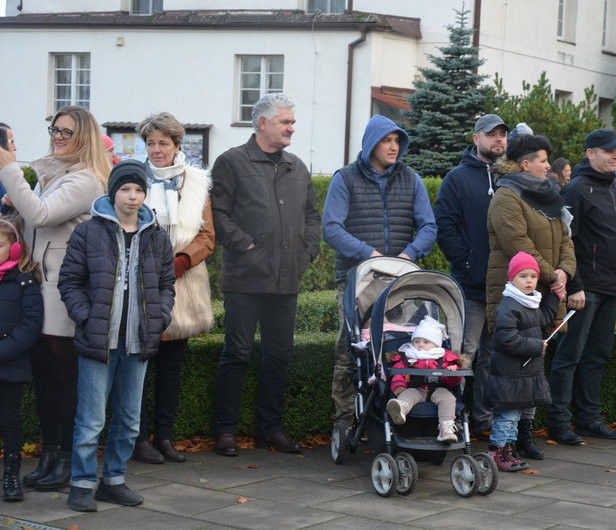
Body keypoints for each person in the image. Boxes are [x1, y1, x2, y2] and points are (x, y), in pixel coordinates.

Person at [0, 106, 110, 491]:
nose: (58, 137)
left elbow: (43, 216)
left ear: (85, 137)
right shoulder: (56, 175)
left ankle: (65, 459)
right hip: (41, 288)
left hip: (62, 292)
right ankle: (50, 455)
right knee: (47, 379)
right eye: (55, 130)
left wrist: (10, 171)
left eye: (67, 131)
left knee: (63, 380)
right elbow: (31, 222)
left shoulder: (87, 179)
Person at [58, 160, 175, 512]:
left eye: (139, 190)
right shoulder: (88, 232)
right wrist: (86, 317)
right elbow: (70, 282)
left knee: (129, 421)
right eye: (125, 189)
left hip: (138, 343)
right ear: (113, 192)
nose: (132, 196)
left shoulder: (157, 236)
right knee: (91, 420)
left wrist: (160, 318)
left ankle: (113, 481)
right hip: (99, 342)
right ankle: (81, 484)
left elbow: (167, 285)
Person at [211, 93, 320, 456]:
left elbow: (311, 216)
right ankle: (225, 430)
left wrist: (306, 252)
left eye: (292, 122)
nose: (292, 128)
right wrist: (246, 245)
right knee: (237, 353)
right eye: (285, 122)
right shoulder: (231, 162)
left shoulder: (297, 167)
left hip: (286, 279)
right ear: (262, 123)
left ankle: (269, 429)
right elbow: (218, 213)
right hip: (245, 278)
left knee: (279, 356)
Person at [324, 114, 436, 429]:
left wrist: (408, 255)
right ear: (371, 143)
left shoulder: (411, 179)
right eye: (387, 140)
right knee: (350, 352)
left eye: (397, 140)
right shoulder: (345, 179)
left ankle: (397, 418)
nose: (394, 146)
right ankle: (344, 421)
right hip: (357, 279)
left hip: (402, 281)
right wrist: (368, 255)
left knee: (404, 347)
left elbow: (428, 226)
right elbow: (331, 228)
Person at [132, 112, 215, 465]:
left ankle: (164, 437)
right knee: (138, 368)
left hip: (182, 284)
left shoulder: (196, 182)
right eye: (150, 143)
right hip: (140, 282)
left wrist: (181, 260)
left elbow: (207, 235)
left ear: (177, 145)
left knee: (170, 369)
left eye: (163, 143)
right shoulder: (133, 176)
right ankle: (137, 439)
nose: (156, 149)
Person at [486, 133, 575, 458]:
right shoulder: (506, 197)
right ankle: (505, 441)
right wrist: (554, 277)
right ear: (525, 164)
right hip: (517, 293)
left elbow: (566, 239)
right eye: (542, 160)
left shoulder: (549, 195)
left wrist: (564, 272)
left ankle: (525, 434)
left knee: (535, 368)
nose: (548, 165)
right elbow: (518, 245)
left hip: (546, 291)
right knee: (515, 371)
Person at [547, 129, 616, 445]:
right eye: (609, 150)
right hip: (585, 289)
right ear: (590, 153)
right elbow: (566, 241)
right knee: (570, 355)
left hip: (610, 286)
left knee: (598, 355)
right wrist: (575, 285)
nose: (615, 155)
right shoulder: (576, 189)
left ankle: (589, 419)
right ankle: (558, 422)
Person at [434, 113, 508, 431]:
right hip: (471, 288)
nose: (498, 139)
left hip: (504, 288)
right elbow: (445, 226)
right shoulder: (457, 179)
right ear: (476, 139)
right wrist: (466, 263)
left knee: (494, 357)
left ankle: (482, 420)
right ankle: (452, 419)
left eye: (502, 134)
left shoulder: (511, 178)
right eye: (491, 134)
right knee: (462, 355)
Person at [487, 252, 558, 471]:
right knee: (507, 417)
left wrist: (554, 297)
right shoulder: (509, 305)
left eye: (533, 276)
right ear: (512, 279)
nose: (529, 281)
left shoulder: (529, 302)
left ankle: (508, 451)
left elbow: (543, 319)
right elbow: (506, 339)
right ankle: (496, 452)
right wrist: (536, 346)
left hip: (521, 374)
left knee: (514, 417)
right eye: (523, 276)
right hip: (509, 375)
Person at [0, 217, 43, 502]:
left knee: (9, 421)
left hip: (9, 366)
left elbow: (30, 325)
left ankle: (11, 475)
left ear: (14, 248)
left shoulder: (25, 282)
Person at [386, 316, 464, 443]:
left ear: (436, 344)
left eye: (426, 342)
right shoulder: (408, 356)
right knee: (407, 394)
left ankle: (446, 429)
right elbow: (398, 373)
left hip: (438, 389)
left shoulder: (445, 358)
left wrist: (452, 373)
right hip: (415, 389)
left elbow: (453, 383)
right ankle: (400, 410)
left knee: (448, 398)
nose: (420, 345)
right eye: (416, 341)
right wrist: (398, 385)